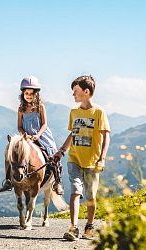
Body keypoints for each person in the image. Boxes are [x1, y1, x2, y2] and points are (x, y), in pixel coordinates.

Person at [52, 75, 110, 241]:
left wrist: (102, 158)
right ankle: (73, 227)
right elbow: (73, 133)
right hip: (74, 159)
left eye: (75, 91)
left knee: (91, 195)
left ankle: (89, 226)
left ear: (86, 91)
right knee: (75, 191)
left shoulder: (99, 112)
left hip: (92, 162)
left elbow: (106, 137)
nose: (73, 95)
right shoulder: (74, 112)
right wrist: (62, 150)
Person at [0, 76, 64, 195]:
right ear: (23, 94)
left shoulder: (40, 107)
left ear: (36, 94)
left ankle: (57, 182)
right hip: (25, 136)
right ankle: (9, 180)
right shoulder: (21, 108)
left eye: (31, 93)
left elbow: (44, 124)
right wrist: (24, 135)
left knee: (53, 155)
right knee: (11, 153)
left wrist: (38, 135)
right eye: (26, 93)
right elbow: (19, 126)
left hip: (41, 135)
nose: (29, 96)